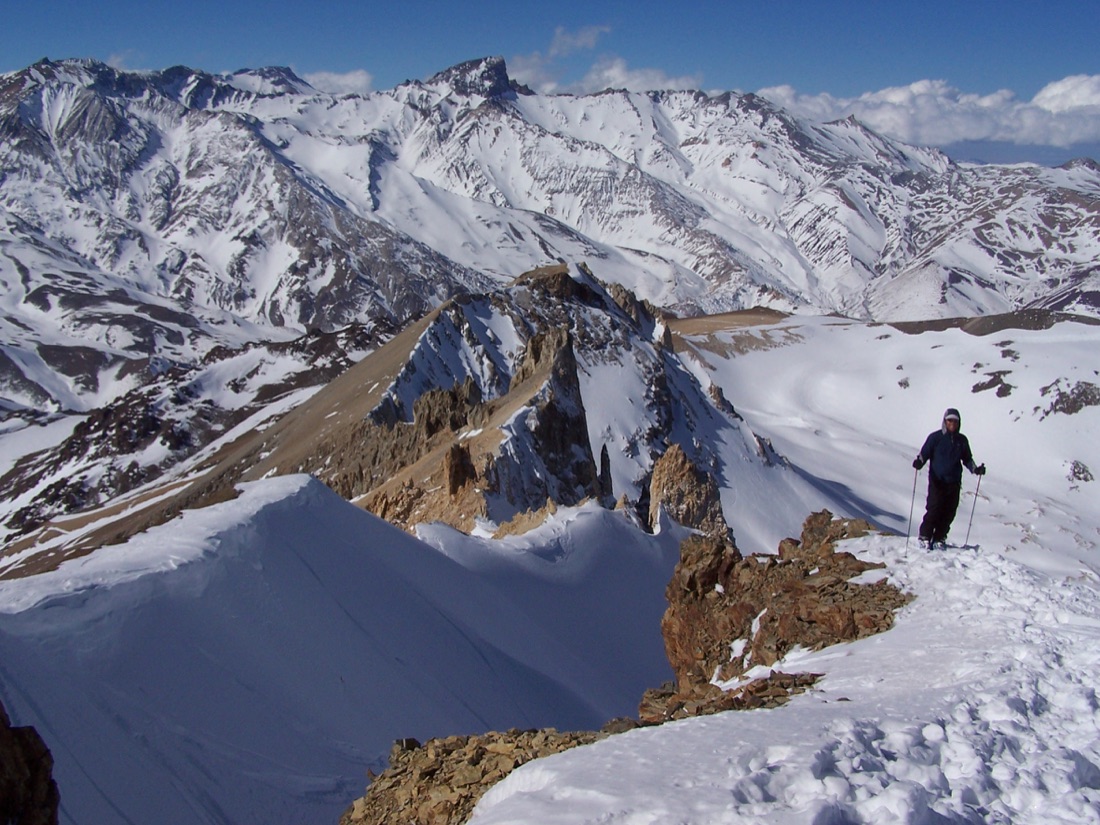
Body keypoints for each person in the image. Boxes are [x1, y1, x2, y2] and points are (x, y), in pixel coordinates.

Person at [912, 407, 985, 549]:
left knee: (949, 511)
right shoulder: (935, 438)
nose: (952, 423)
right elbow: (924, 453)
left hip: (954, 482)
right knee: (934, 508)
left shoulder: (962, 440)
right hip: (937, 479)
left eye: (955, 421)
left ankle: (939, 537)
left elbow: (967, 459)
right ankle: (925, 536)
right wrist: (919, 462)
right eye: (950, 420)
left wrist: (976, 469)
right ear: (945, 421)